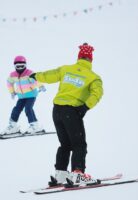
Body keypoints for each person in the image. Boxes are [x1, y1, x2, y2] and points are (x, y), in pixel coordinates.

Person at [30, 43, 103, 185]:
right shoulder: (93, 77)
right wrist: (85, 107)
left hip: (57, 110)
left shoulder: (66, 69)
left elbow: (50, 75)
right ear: (90, 60)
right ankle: (77, 174)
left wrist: (36, 76)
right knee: (79, 144)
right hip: (72, 111)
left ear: (79, 57)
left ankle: (61, 174)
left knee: (65, 144)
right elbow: (97, 93)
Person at [1, 55, 46, 135]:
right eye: (18, 66)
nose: (20, 68)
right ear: (14, 66)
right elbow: (9, 83)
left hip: (31, 95)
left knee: (28, 108)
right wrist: (12, 92)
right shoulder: (13, 75)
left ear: (25, 65)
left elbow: (36, 79)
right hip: (21, 96)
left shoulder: (29, 73)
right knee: (16, 109)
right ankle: (13, 126)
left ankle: (34, 126)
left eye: (22, 66)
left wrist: (41, 86)